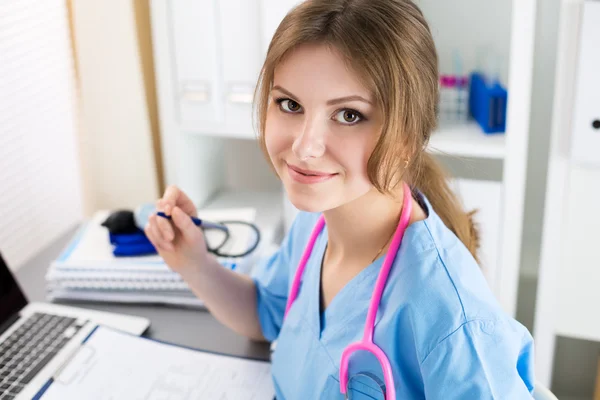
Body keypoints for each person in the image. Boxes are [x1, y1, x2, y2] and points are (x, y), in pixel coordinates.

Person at [144, 0, 535, 398]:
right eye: (290, 104)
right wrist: (193, 263)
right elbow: (267, 314)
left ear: (405, 138)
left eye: (348, 115)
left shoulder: (451, 316)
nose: (304, 146)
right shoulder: (316, 222)